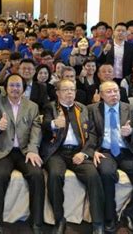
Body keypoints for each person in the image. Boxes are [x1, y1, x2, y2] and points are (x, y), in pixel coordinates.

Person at [40, 79, 104, 234]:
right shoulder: (50, 107)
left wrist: (84, 153)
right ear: (58, 93)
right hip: (57, 152)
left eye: (72, 90)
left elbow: (93, 135)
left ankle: (97, 222)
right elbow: (44, 125)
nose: (69, 93)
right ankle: (59, 219)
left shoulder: (82, 108)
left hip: (78, 152)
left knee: (93, 176)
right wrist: (55, 124)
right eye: (66, 89)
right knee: (55, 175)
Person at [88, 81, 133, 234]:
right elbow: (88, 133)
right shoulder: (92, 110)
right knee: (106, 173)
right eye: (109, 92)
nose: (113, 94)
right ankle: (109, 217)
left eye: (116, 91)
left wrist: (130, 132)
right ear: (101, 95)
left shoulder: (131, 109)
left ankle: (131, 214)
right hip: (104, 151)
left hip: (127, 152)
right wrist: (92, 151)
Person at [0, 74, 45, 234]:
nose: (15, 88)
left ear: (23, 88)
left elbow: (36, 129)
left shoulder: (32, 106)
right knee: (0, 177)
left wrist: (33, 149)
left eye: (18, 85)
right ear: (5, 88)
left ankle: (37, 222)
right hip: (2, 151)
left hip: (24, 151)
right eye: (11, 85)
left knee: (37, 175)